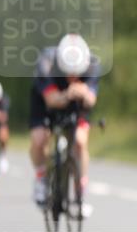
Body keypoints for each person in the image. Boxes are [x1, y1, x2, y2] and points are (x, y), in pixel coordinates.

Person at [29, 34, 100, 214]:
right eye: (68, 73)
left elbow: (91, 100)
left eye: (77, 74)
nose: (72, 77)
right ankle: (41, 178)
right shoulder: (46, 63)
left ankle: (80, 191)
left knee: (80, 142)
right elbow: (52, 100)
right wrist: (68, 93)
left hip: (76, 105)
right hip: (46, 104)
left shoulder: (92, 64)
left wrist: (84, 94)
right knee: (39, 140)